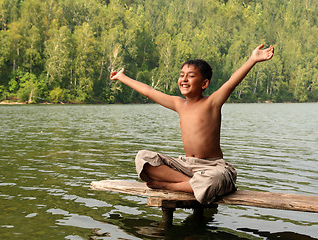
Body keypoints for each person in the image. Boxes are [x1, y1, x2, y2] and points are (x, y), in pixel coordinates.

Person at [110, 44, 274, 204]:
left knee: (214, 180)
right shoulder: (178, 104)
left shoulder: (212, 103)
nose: (184, 79)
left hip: (212, 166)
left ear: (204, 84)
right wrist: (122, 78)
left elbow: (232, 81)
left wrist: (253, 59)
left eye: (191, 76)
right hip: (187, 165)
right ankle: (191, 184)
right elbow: (149, 91)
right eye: (182, 75)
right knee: (143, 158)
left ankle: (171, 185)